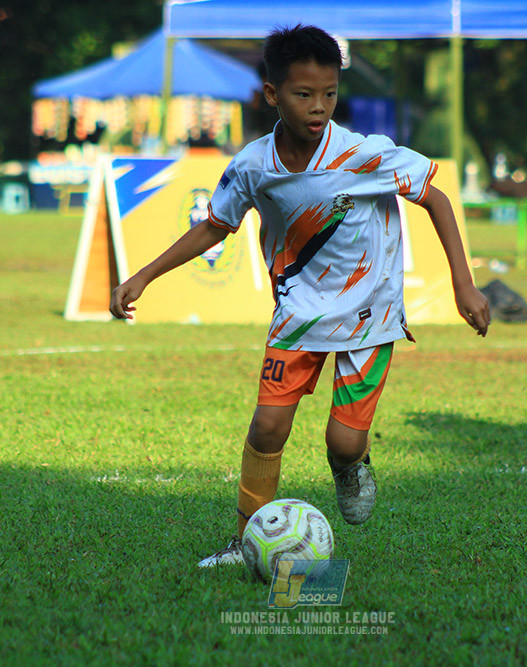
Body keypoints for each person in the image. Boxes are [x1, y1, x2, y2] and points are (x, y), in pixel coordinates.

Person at [109, 24, 491, 566]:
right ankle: (245, 542)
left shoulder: (364, 154)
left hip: (369, 314)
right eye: (304, 94)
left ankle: (350, 465)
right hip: (298, 312)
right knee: (267, 426)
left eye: (329, 94)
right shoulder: (252, 166)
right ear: (272, 94)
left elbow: (437, 199)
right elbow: (215, 225)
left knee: (343, 441)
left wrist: (463, 284)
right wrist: (144, 275)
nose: (318, 107)